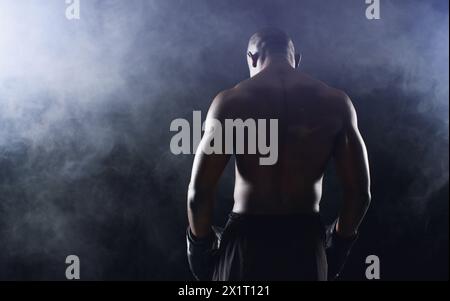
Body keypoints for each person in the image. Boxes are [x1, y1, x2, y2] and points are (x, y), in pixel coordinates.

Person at [186, 28, 371, 281]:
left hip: (247, 242)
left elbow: (199, 194)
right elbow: (360, 195)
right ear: (297, 58)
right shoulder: (336, 103)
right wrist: (338, 247)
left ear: (251, 57)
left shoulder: (230, 102)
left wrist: (199, 251)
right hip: (305, 242)